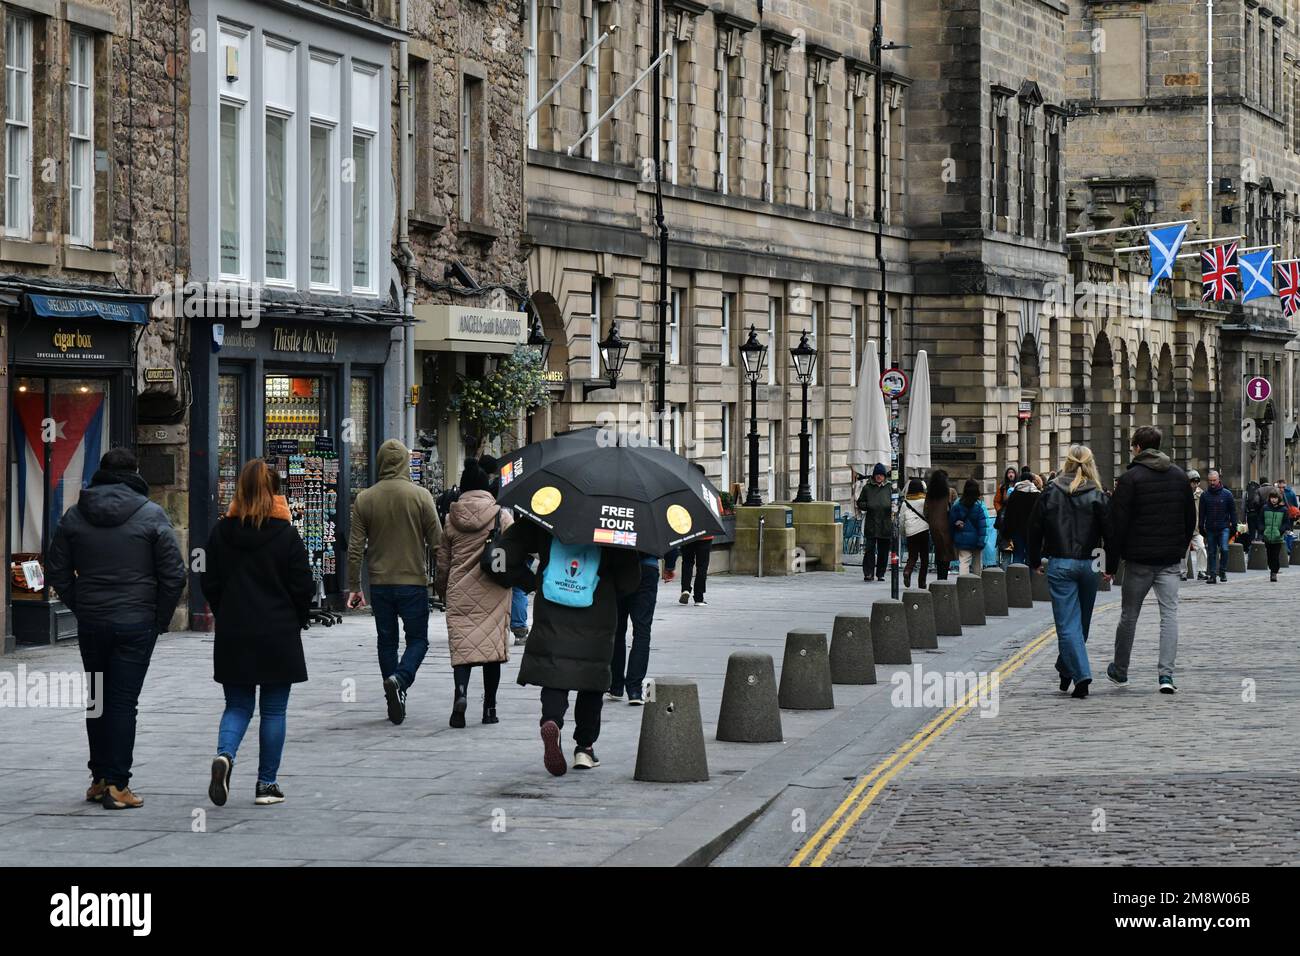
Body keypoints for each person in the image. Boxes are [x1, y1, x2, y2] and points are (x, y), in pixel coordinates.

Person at [45, 447, 186, 810]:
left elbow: (56, 569)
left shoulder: (76, 515)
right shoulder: (152, 514)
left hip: (93, 621)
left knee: (98, 699)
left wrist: (81, 603)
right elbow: (174, 574)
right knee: (123, 702)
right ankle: (118, 785)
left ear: (100, 474)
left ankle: (99, 778)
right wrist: (159, 619)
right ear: (136, 472)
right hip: (136, 622)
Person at [202, 460, 314, 807]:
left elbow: (209, 581)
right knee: (274, 710)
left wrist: (226, 612)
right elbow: (303, 585)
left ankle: (226, 755)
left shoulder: (221, 532)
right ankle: (266, 784)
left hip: (235, 631)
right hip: (277, 631)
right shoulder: (286, 534)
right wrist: (297, 616)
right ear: (274, 491)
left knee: (237, 704)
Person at [500, 518, 640, 775]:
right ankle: (584, 748)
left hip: (552, 610)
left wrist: (532, 582)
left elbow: (501, 554)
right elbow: (630, 581)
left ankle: (552, 720)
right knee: (592, 678)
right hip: (597, 613)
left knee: (555, 672)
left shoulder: (548, 514)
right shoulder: (614, 521)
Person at [346, 438, 442, 725]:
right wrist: (444, 582)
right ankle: (400, 679)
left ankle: (393, 689)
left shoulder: (365, 498)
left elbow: (355, 547)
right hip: (413, 581)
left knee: (386, 641)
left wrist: (354, 586)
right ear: (404, 463)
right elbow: (437, 543)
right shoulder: (421, 496)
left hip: (380, 583)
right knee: (418, 640)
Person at [1104, 426, 1196, 694]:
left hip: (1139, 560)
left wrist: (1111, 565)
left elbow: (1117, 526)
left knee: (1129, 616)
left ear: (1137, 448)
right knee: (1169, 616)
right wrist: (1179, 546)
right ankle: (1166, 676)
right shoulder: (1179, 476)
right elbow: (1190, 517)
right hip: (1169, 559)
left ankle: (1120, 671)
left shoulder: (1130, 479)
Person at [1026, 445, 1111, 699]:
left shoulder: (1051, 491)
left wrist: (1034, 559)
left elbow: (1034, 527)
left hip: (1061, 563)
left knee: (1069, 625)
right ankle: (1075, 671)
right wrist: (1111, 564)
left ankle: (1073, 670)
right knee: (1080, 624)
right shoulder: (1097, 493)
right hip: (1089, 564)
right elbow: (1111, 531)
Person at [435, 460, 514, 727]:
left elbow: (442, 561)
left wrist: (442, 589)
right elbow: (514, 549)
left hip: (459, 589)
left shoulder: (450, 518)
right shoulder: (500, 515)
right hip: (493, 589)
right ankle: (489, 709)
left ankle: (461, 693)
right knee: (491, 650)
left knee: (463, 648)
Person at [609, 553, 660, 705]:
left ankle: (615, 686)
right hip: (648, 567)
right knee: (642, 630)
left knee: (617, 629)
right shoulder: (652, 527)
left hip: (619, 567)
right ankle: (635, 690)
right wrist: (669, 564)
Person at [856, 462, 893, 582]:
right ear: (874, 476)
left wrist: (894, 506)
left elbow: (899, 499)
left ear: (884, 476)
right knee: (870, 550)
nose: (879, 477)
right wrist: (868, 505)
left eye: (881, 475)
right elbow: (860, 502)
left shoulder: (890, 487)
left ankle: (880, 573)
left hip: (885, 523)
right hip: (871, 523)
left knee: (883, 550)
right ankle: (868, 573)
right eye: (877, 475)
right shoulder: (867, 488)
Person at [1199, 469, 1236, 584]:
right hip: (1210, 527)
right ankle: (1213, 575)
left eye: (1214, 480)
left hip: (1224, 527)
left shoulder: (1227, 494)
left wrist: (1234, 527)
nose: (1212, 483)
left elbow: (1233, 512)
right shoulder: (1204, 495)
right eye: (1210, 481)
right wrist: (1201, 526)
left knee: (1224, 549)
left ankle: (1223, 571)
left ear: (1219, 480)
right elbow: (1202, 513)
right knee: (1211, 552)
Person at [1000, 468, 1041, 564]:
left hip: (1017, 530)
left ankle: (1016, 577)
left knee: (1018, 554)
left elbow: (1008, 514)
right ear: (1032, 481)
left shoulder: (1015, 494)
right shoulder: (1037, 495)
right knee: (1031, 555)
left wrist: (1006, 532)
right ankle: (1031, 578)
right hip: (1032, 531)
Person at [950, 479, 989, 575]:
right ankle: (976, 585)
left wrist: (956, 524)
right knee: (977, 564)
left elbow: (951, 521)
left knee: (964, 562)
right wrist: (982, 541)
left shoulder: (957, 504)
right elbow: (983, 526)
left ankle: (963, 583)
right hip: (976, 539)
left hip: (962, 538)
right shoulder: (979, 506)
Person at [924, 470, 955, 581]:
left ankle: (940, 577)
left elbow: (925, 512)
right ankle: (943, 577)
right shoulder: (950, 492)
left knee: (938, 551)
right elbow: (954, 509)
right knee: (946, 552)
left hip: (933, 526)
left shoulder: (929, 494)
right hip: (946, 525)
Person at [900, 478, 930, 589]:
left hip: (911, 532)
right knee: (924, 558)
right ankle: (922, 582)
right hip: (923, 531)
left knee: (912, 556)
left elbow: (901, 520)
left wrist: (903, 532)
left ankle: (907, 571)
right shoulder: (925, 501)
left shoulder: (905, 503)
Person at [1261, 488, 1292, 582]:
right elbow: (1260, 520)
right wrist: (1262, 529)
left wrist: (1280, 531)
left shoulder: (1283, 509)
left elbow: (1287, 523)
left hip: (1278, 537)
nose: (1273, 500)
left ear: (1279, 498)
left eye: (1275, 498)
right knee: (1269, 556)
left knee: (1275, 555)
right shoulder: (1265, 508)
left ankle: (1274, 573)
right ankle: (1272, 568)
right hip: (1267, 536)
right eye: (1272, 498)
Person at [1183, 470, 1208, 582]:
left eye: (1197, 481)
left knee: (1201, 548)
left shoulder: (1201, 494)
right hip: (1185, 528)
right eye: (1193, 481)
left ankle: (1202, 571)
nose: (1195, 484)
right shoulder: (1182, 494)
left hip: (1197, 528)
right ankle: (1182, 572)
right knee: (1184, 551)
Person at [678, 535, 713, 606]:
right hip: (705, 536)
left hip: (687, 535)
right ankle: (699, 598)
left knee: (687, 563)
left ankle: (685, 589)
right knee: (702, 567)